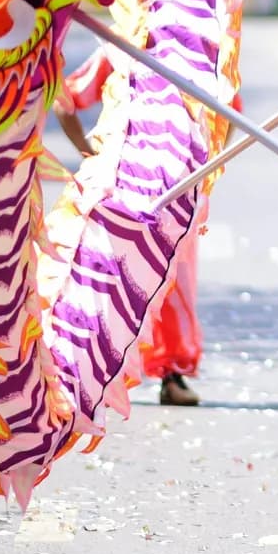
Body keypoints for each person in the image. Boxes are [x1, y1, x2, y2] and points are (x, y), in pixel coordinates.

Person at [54, 46, 206, 407]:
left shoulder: (198, 48)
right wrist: (91, 154)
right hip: (129, 184)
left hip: (175, 188)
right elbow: (65, 100)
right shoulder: (123, 46)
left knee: (151, 279)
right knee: (122, 278)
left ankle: (165, 372)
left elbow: (227, 113)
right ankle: (95, 374)